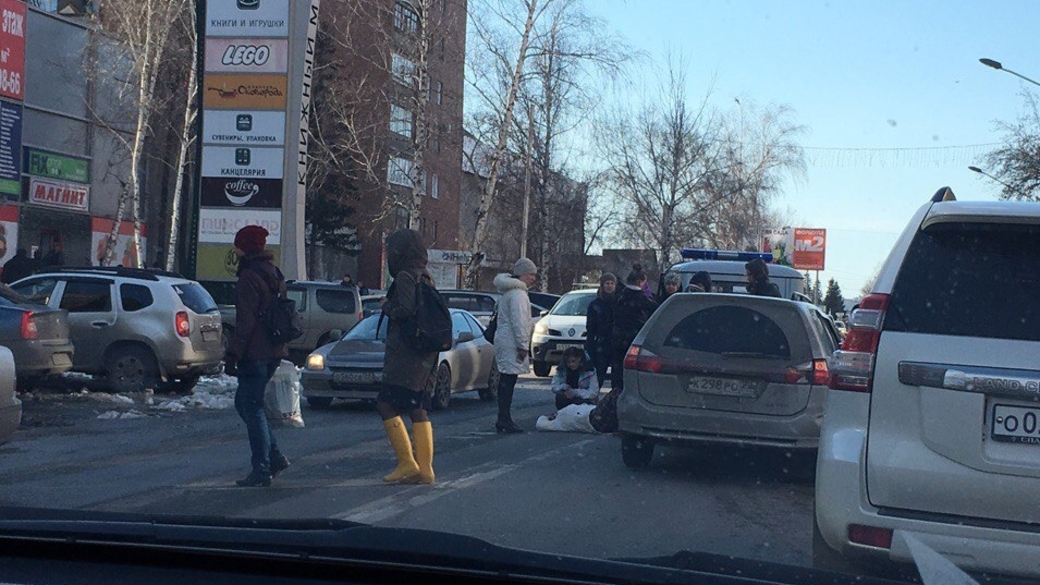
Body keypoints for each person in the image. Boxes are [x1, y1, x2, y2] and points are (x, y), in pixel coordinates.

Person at [224, 225, 291, 488]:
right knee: (247, 404)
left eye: (239, 244)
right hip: (274, 349)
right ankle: (273, 457)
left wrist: (233, 354)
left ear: (246, 247)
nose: (236, 249)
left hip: (255, 352)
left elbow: (246, 322)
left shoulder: (249, 277)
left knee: (251, 407)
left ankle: (262, 467)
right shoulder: (273, 272)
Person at [377, 229, 439, 485]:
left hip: (405, 353)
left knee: (385, 404)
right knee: (416, 407)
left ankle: (407, 463)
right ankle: (425, 470)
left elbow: (404, 310)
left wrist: (385, 306)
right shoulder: (425, 277)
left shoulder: (404, 276)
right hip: (424, 353)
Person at [493, 257, 537, 433]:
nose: (533, 278)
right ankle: (504, 419)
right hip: (511, 342)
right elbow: (519, 322)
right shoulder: (518, 294)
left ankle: (503, 417)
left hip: (505, 340)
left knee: (506, 380)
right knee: (508, 381)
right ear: (522, 274)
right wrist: (522, 345)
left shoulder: (508, 293)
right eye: (531, 274)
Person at [611, 268, 658, 393]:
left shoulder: (619, 296)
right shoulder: (642, 299)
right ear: (640, 282)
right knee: (631, 371)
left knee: (617, 373)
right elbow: (655, 311)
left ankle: (615, 396)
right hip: (633, 340)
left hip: (617, 339)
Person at [584, 272, 616, 388]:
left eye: (612, 283)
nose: (610, 286)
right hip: (600, 345)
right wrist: (590, 345)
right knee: (598, 376)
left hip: (615, 344)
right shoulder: (595, 305)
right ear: (602, 285)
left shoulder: (619, 303)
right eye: (607, 283)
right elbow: (590, 327)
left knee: (617, 378)